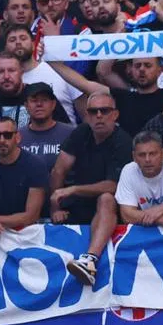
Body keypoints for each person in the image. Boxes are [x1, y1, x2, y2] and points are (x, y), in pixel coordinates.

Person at [55, 92, 134, 286]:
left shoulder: (123, 141)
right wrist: (55, 208)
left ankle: (90, 260)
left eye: (104, 111)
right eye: (93, 111)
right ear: (87, 115)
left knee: (106, 198)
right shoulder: (81, 132)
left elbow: (114, 185)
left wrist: (73, 190)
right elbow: (59, 170)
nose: (99, 115)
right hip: (77, 206)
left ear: (115, 115)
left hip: (109, 209)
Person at [114, 130, 163, 231]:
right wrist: (161, 219)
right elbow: (127, 215)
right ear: (134, 157)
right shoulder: (128, 171)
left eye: (152, 154)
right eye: (142, 155)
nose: (147, 159)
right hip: (148, 229)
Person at [20, 82, 75, 173]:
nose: (39, 104)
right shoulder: (17, 136)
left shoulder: (71, 134)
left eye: (44, 100)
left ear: (53, 104)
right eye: (34, 100)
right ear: (26, 106)